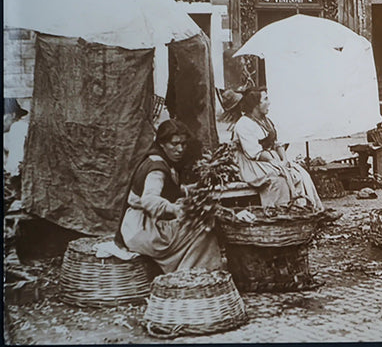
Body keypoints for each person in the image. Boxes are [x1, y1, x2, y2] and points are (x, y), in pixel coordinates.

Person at [115, 119, 223, 273]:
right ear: (162, 144)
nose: (180, 149)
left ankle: (189, 272)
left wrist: (190, 191)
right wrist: (174, 209)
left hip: (135, 225)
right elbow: (149, 199)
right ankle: (189, 275)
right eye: (174, 144)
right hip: (143, 230)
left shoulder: (157, 160)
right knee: (203, 230)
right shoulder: (157, 169)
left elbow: (168, 189)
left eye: (183, 144)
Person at [231, 87, 323, 210]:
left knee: (299, 173)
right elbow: (254, 153)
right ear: (256, 104)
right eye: (265, 99)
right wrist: (277, 163)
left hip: (270, 158)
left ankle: (307, 209)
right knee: (279, 178)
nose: (269, 102)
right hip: (251, 163)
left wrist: (284, 160)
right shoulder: (244, 124)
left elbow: (277, 143)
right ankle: (280, 212)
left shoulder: (266, 121)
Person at [4, 98, 30, 208]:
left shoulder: (18, 128)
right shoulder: (10, 133)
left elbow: (14, 168)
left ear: (12, 115)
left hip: (20, 186)